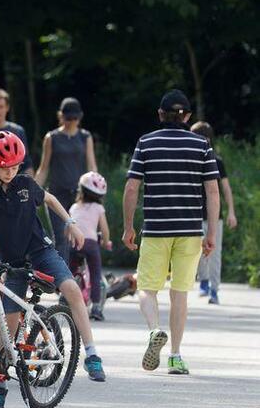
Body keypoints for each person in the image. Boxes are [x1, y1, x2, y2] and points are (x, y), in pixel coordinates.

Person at [0, 131, 106, 408]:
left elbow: (51, 201)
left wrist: (71, 223)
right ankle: (0, 389)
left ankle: (91, 354)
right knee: (9, 329)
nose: (10, 172)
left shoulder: (26, 184)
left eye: (15, 166)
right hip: (12, 262)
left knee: (72, 289)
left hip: (40, 251)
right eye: (5, 167)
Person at [122, 90, 220, 375]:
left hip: (155, 229)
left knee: (146, 289)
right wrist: (211, 232)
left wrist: (128, 227)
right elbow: (212, 191)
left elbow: (131, 187)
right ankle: (176, 356)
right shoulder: (201, 145)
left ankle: (154, 330)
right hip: (189, 231)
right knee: (180, 293)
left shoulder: (146, 143)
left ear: (159, 115)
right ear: (187, 117)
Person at [35, 97, 98, 263]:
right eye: (68, 118)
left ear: (80, 117)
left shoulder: (85, 137)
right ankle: (63, 281)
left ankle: (79, 279)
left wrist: (96, 191)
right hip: (57, 194)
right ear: (61, 116)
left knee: (80, 236)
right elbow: (43, 168)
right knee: (61, 237)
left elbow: (92, 166)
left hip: (80, 196)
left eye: (74, 118)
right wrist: (32, 191)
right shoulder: (52, 137)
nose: (71, 122)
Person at [190, 121, 238, 305]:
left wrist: (231, 212)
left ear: (206, 139)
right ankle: (203, 280)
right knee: (198, 251)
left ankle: (214, 290)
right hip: (193, 214)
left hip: (213, 216)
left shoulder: (217, 161)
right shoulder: (190, 160)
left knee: (214, 253)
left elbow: (225, 189)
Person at [69, 171, 112, 321]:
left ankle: (65, 299)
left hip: (75, 243)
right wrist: (106, 242)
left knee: (70, 272)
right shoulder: (98, 209)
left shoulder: (74, 207)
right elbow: (105, 229)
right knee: (95, 274)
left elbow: (66, 228)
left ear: (81, 190)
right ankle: (96, 307)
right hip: (91, 244)